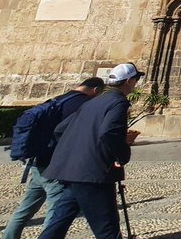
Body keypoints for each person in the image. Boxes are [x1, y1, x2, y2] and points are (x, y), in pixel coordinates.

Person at [40, 62, 141, 239]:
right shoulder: (118, 102)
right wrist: (122, 155)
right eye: (136, 79)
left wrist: (73, 154)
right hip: (93, 174)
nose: (137, 83)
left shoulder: (92, 102)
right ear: (129, 81)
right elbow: (109, 132)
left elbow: (60, 130)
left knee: (57, 225)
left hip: (72, 172)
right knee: (107, 229)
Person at [2, 77, 105, 239]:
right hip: (55, 164)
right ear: (96, 90)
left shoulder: (58, 99)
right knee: (57, 210)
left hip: (37, 161)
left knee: (25, 209)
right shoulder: (83, 105)